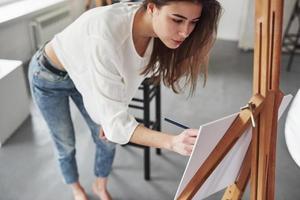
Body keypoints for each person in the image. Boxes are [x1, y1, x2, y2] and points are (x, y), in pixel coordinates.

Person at [28, 0, 221, 200]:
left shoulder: (153, 34)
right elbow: (115, 121)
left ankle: (99, 184)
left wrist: (111, 115)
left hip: (84, 72)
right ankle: (75, 187)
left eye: (193, 22)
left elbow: (126, 80)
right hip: (48, 75)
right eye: (177, 20)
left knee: (108, 139)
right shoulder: (106, 33)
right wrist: (172, 142)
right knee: (65, 143)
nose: (185, 32)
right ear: (152, 8)